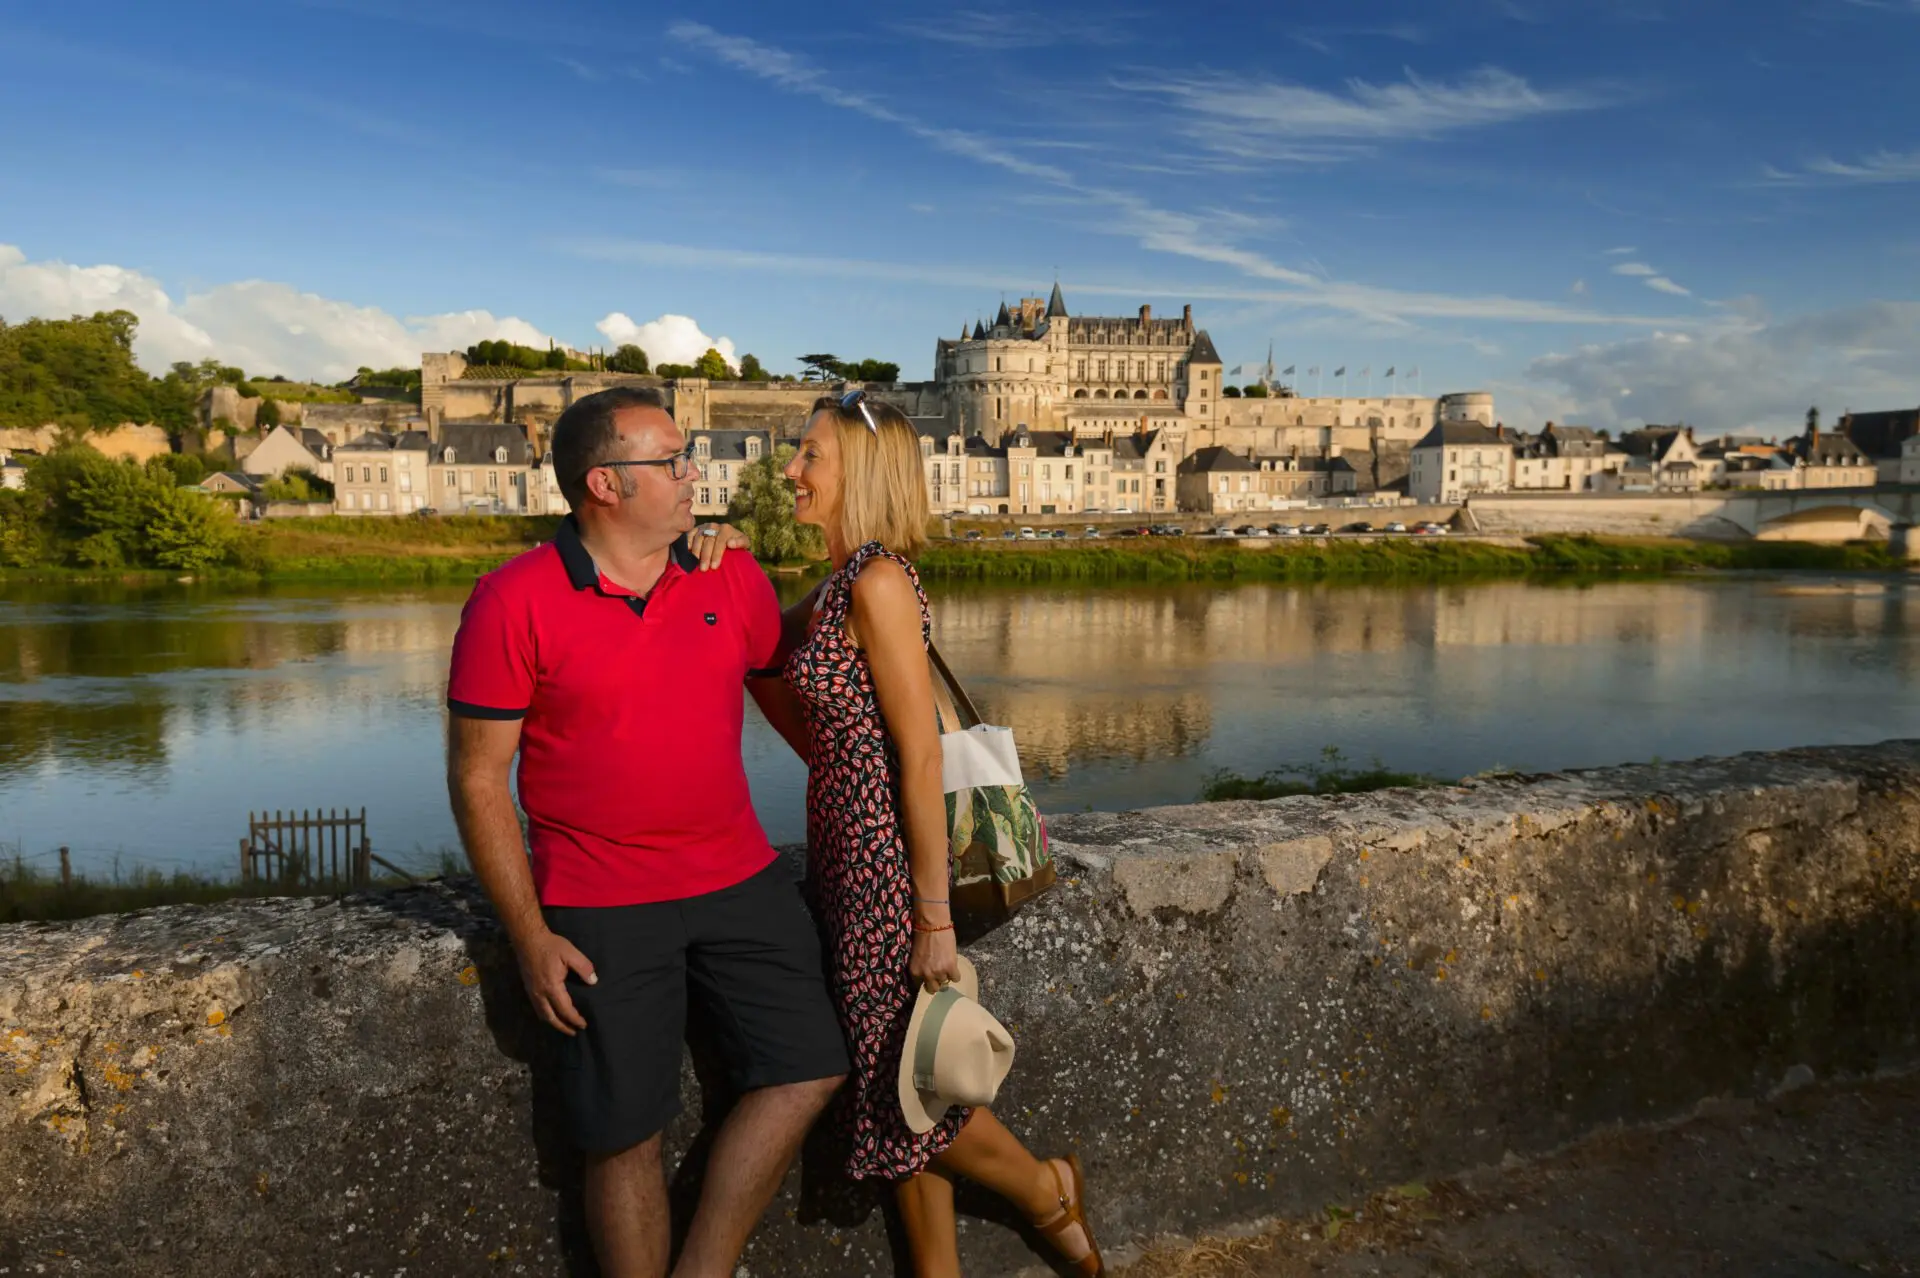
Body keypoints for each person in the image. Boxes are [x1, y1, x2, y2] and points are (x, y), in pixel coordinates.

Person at [444, 386, 848, 1278]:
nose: (691, 474)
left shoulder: (728, 576)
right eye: (669, 463)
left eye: (687, 456)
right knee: (623, 1134)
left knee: (813, 1066)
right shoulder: (512, 601)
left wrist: (879, 795)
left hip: (740, 878)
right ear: (604, 484)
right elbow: (478, 778)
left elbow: (796, 712)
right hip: (600, 899)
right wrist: (528, 934)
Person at [769, 390, 1104, 1277]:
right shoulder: (838, 585)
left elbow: (919, 759)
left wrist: (930, 915)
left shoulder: (878, 582)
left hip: (884, 868)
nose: (791, 471)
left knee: (897, 1087)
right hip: (843, 861)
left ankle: (1044, 1191)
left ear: (861, 474)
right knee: (901, 1095)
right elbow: (770, 671)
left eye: (809, 456)